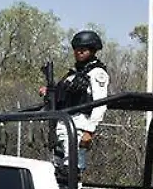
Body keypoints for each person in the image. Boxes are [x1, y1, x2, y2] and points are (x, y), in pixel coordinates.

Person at [40, 30, 110, 175]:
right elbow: (63, 95)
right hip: (62, 123)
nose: (79, 52)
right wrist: (49, 91)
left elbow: (100, 103)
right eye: (76, 49)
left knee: (71, 169)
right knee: (58, 170)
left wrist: (90, 131)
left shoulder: (97, 73)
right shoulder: (73, 74)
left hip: (78, 125)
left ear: (92, 50)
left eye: (83, 49)